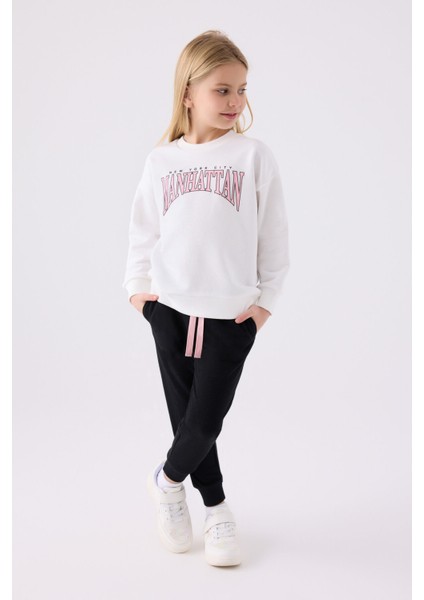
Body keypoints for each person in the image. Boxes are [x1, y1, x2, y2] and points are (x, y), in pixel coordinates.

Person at [122, 30, 290, 567]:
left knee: (204, 421)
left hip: (231, 317)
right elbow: (143, 232)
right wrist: (141, 298)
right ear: (188, 93)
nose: (235, 101)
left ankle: (167, 481)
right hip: (169, 310)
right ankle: (216, 509)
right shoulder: (161, 162)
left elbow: (273, 238)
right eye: (222, 90)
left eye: (241, 90)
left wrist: (263, 307)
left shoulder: (252, 156)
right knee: (187, 420)